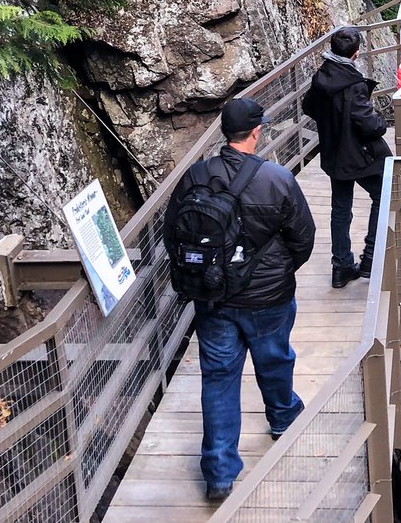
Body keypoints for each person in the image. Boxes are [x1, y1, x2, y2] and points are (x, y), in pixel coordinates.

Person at [163, 97, 315, 502]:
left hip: (212, 297)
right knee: (275, 358)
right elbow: (303, 239)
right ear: (256, 131)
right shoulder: (278, 178)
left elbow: (171, 234)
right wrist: (279, 272)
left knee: (218, 378)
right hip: (268, 297)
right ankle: (282, 417)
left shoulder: (195, 176)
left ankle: (218, 472)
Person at [301, 27, 392, 288]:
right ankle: (371, 257)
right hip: (359, 156)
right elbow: (370, 125)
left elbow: (309, 106)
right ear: (356, 53)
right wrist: (380, 122)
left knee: (341, 208)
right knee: (382, 195)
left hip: (333, 153)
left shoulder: (321, 77)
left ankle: (341, 266)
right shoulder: (353, 85)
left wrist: (333, 122)